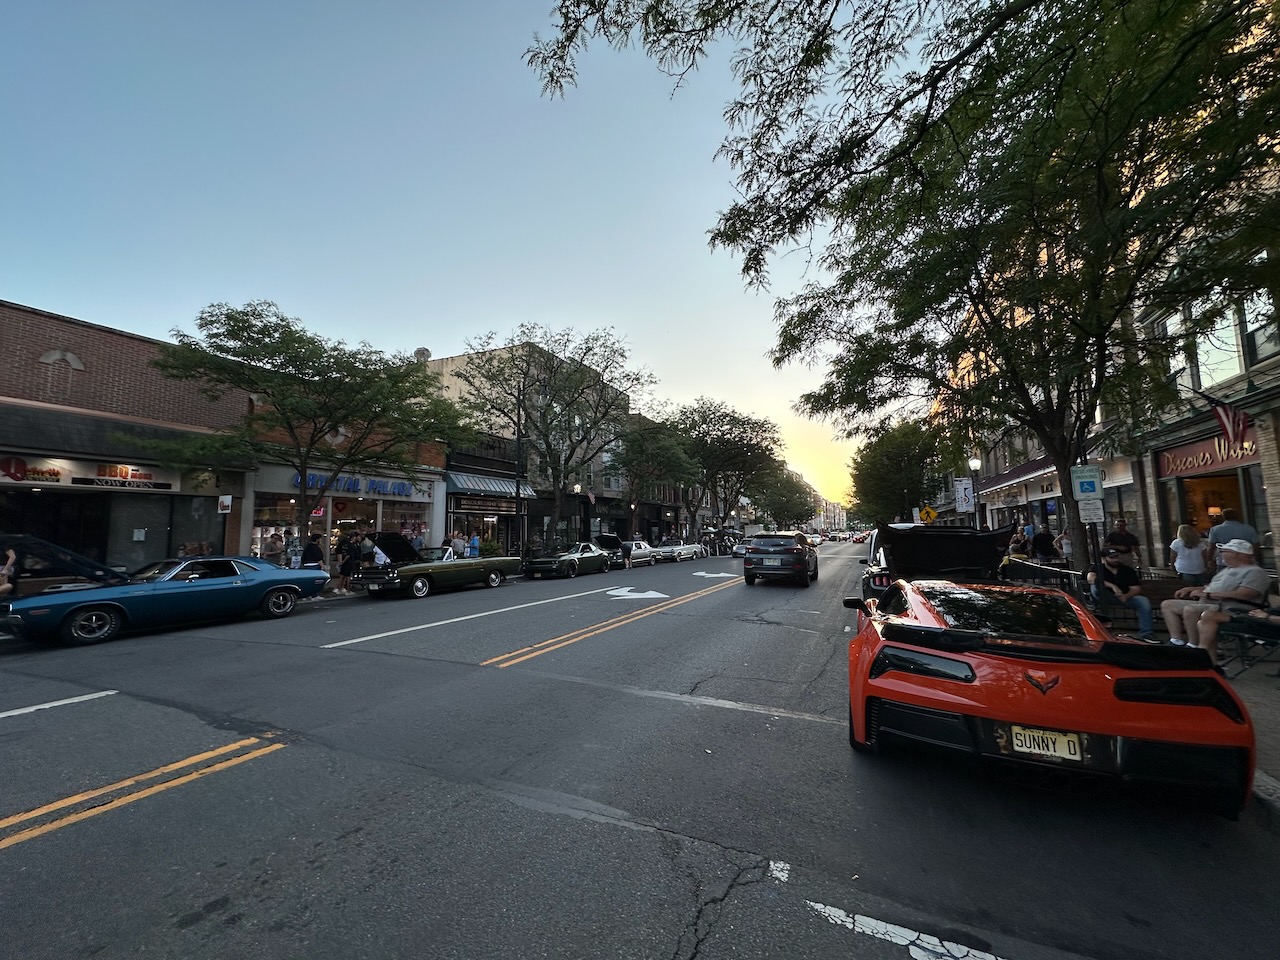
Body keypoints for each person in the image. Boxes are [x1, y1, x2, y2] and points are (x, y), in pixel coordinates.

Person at [1160, 538, 1272, 650]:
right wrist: (1191, 588)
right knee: (1168, 605)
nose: (1221, 554)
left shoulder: (1255, 572)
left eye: (1225, 551)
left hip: (1231, 607)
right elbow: (1213, 586)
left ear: (1236, 554)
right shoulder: (1228, 570)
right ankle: (1176, 641)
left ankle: (1193, 645)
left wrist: (1208, 595)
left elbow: (1244, 594)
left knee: (1191, 609)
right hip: (1211, 602)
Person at [1089, 547, 1156, 642]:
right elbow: (1091, 578)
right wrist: (1112, 586)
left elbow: (1136, 588)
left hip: (1124, 597)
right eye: (1112, 557)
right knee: (1095, 587)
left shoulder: (1127, 570)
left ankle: (1147, 633)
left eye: (1116, 557)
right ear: (1104, 558)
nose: (1115, 560)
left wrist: (1126, 596)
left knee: (1143, 601)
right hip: (1104, 597)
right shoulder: (1097, 568)